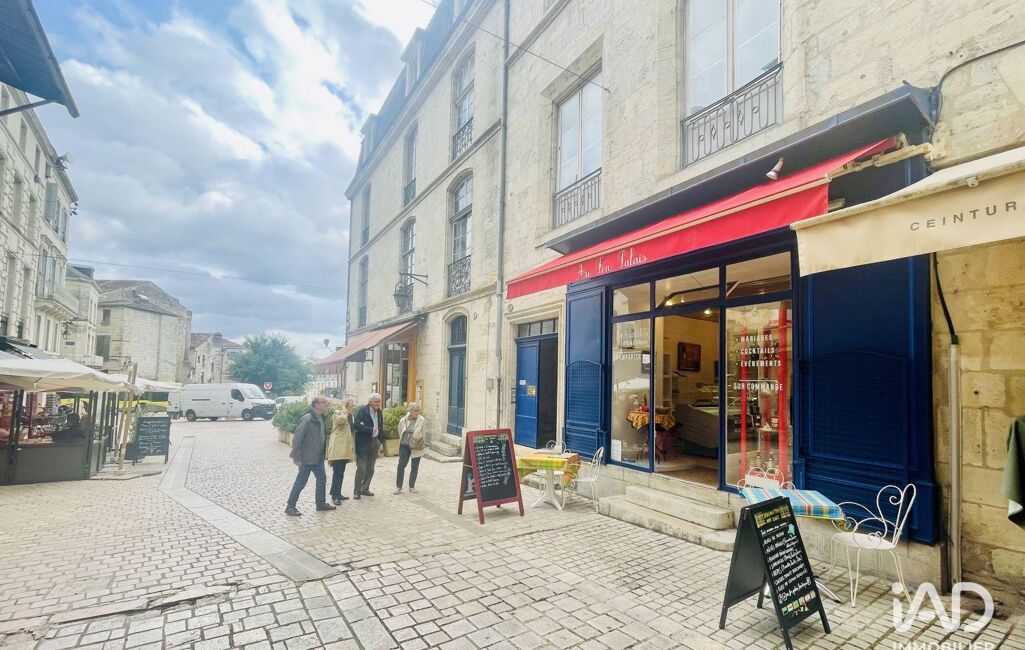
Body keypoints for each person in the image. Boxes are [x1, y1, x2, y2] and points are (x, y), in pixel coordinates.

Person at [285, 397, 335, 516]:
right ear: (316, 404)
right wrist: (296, 457)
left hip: (318, 456)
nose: (326, 404)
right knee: (301, 482)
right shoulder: (308, 418)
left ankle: (320, 504)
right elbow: (297, 438)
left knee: (322, 479)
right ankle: (290, 507)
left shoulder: (321, 417)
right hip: (307, 457)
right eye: (324, 402)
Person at [352, 393, 383, 499]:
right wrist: (370, 430)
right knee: (361, 469)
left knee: (370, 468)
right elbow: (356, 426)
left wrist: (380, 440)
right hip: (363, 443)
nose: (378, 403)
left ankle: (365, 489)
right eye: (376, 401)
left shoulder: (379, 412)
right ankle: (357, 491)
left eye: (379, 401)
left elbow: (380, 425)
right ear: (370, 402)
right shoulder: (362, 411)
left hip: (375, 441)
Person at [326, 399, 356, 505]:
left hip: (344, 449)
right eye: (351, 406)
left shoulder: (350, 416)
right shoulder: (338, 413)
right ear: (346, 406)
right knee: (338, 472)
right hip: (338, 449)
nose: (353, 408)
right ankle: (335, 496)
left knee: (340, 473)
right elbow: (341, 420)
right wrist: (343, 408)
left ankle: (337, 493)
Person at [394, 403, 426, 494]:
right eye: (415, 411)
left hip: (416, 446)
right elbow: (400, 431)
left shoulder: (422, 420)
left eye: (418, 411)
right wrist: (406, 440)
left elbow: (423, 433)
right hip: (405, 445)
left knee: (415, 466)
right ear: (410, 411)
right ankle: (398, 487)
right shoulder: (403, 420)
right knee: (401, 465)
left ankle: (412, 486)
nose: (417, 412)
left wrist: (422, 444)